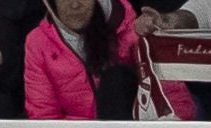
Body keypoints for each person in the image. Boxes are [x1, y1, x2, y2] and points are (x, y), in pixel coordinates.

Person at [25, 0, 194, 120]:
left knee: (116, 77)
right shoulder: (38, 42)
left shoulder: (133, 30)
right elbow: (44, 115)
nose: (74, 4)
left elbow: (174, 102)